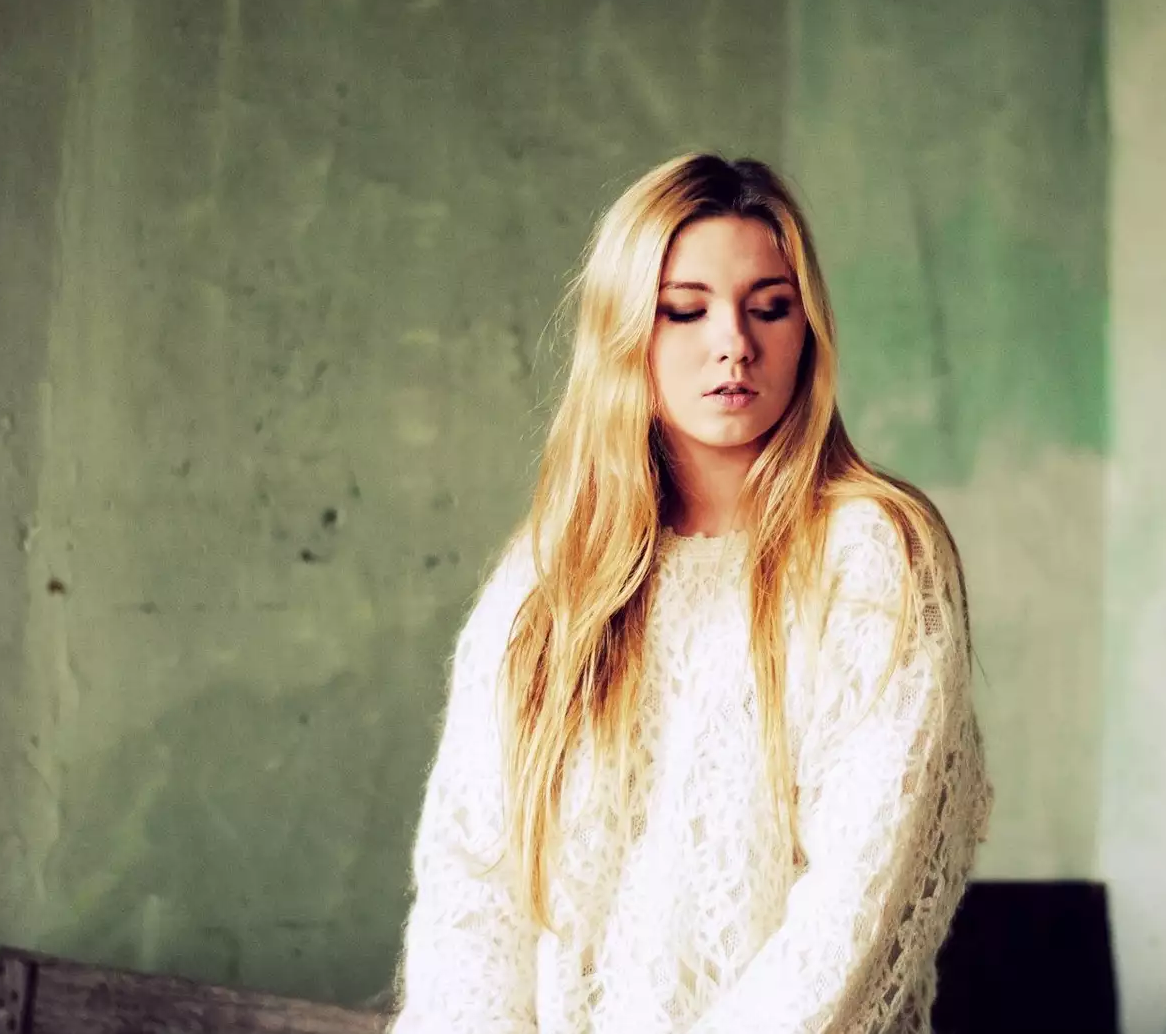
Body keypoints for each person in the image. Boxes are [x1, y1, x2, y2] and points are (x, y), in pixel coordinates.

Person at [388, 154, 994, 1033]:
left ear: (808, 330)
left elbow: (855, 912)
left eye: (769, 307)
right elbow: (473, 886)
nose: (733, 342)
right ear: (627, 328)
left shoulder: (872, 555)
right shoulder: (551, 575)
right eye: (686, 308)